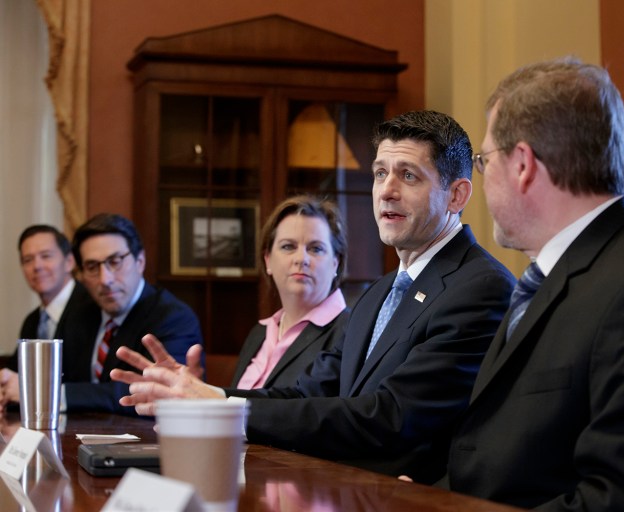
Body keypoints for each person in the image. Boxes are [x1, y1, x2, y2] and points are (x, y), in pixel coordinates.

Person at [112, 110, 515, 483]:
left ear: (457, 195)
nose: (386, 191)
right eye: (379, 173)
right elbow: (306, 394)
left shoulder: (479, 287)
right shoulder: (378, 292)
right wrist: (206, 396)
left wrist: (218, 407)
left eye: (408, 176)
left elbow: (392, 417)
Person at [443, 58, 624, 510]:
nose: (483, 178)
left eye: (483, 161)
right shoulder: (549, 279)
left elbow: (622, 499)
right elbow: (496, 464)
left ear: (522, 164)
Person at [19, 213, 203, 414]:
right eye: (91, 266)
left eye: (115, 261)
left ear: (140, 261)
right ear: (80, 273)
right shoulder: (79, 312)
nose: (105, 279)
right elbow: (62, 377)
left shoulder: (173, 317)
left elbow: (160, 392)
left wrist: (52, 395)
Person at [229, 195, 349, 389]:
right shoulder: (259, 333)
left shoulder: (349, 333)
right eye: (288, 246)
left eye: (316, 249)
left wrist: (210, 395)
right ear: (268, 260)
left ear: (335, 262)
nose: (301, 259)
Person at [0, 225, 95, 411]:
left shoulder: (93, 308)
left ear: (69, 262)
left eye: (46, 256)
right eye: (28, 260)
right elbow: (16, 374)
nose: (37, 266)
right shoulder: (33, 320)